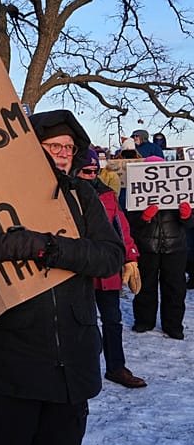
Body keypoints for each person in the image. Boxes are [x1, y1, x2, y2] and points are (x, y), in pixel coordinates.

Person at [0, 109, 124, 445]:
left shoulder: (83, 196)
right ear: (31, 150)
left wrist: (47, 247)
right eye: (54, 146)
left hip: (73, 364)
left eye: (69, 147)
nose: (64, 153)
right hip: (14, 365)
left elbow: (110, 257)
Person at [76, 149, 146, 388]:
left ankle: (116, 367)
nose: (92, 175)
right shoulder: (65, 193)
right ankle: (80, 369)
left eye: (96, 171)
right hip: (78, 269)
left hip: (106, 270)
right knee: (80, 324)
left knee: (112, 320)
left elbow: (121, 227)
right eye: (87, 171)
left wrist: (131, 257)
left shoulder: (106, 195)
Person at [127, 156, 193, 340]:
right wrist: (143, 217)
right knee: (145, 286)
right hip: (147, 246)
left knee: (175, 288)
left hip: (175, 248)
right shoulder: (135, 194)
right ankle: (144, 321)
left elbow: (191, 224)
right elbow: (130, 222)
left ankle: (173, 325)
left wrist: (187, 216)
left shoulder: (182, 193)